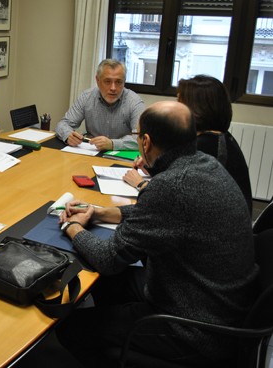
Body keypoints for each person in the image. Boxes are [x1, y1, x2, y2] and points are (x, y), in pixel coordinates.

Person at [55, 101, 257, 366]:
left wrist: (71, 227)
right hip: (216, 303)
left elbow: (108, 258)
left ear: (146, 142)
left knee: (70, 328)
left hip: (195, 328)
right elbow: (165, 218)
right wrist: (99, 212)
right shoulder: (205, 164)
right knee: (106, 285)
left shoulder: (171, 187)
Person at [123, 75, 252, 213]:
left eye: (179, 102)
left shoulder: (205, 148)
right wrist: (153, 168)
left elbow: (173, 199)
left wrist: (141, 184)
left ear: (196, 108)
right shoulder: (220, 138)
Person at [55, 59, 144, 151]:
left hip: (120, 154)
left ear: (124, 82)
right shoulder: (86, 97)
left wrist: (113, 144)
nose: (113, 88)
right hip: (91, 152)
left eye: (118, 82)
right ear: (97, 80)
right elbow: (62, 124)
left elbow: (141, 138)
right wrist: (68, 135)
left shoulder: (135, 102)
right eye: (107, 81)